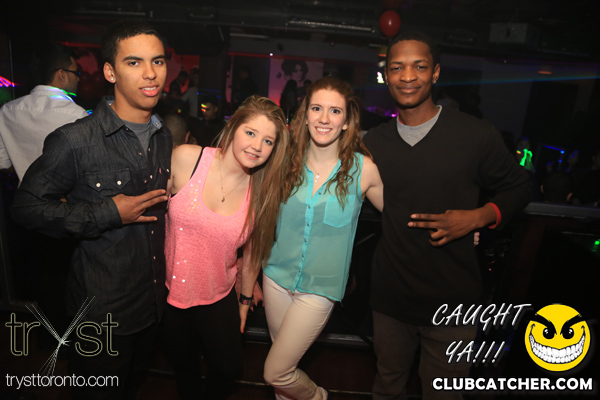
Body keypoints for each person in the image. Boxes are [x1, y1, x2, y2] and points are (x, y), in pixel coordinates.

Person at [362, 31, 531, 399]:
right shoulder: (372, 144)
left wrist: (477, 218)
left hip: (453, 304)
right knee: (387, 387)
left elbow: (520, 186)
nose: (408, 76)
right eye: (397, 68)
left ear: (435, 73)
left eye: (419, 66)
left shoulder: (474, 135)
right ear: (386, 76)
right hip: (391, 299)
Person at [11, 20, 171, 400]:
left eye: (158, 61)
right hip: (102, 313)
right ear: (110, 72)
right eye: (134, 62)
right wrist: (106, 213)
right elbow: (25, 208)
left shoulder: (164, 135)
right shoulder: (75, 140)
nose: (150, 73)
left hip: (152, 305)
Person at [262, 76, 384, 399]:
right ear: (305, 115)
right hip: (275, 278)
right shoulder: (285, 159)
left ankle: (318, 396)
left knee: (275, 371)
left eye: (335, 111)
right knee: (283, 373)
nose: (324, 118)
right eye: (317, 108)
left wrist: (455, 228)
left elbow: (400, 215)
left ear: (347, 121)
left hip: (320, 289)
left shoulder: (363, 170)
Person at [162, 95, 290, 399]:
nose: (257, 146)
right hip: (169, 293)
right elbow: (151, 212)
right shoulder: (187, 158)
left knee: (228, 368)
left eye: (268, 141)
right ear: (233, 129)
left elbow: (253, 254)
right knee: (184, 371)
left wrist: (244, 301)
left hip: (217, 295)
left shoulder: (262, 192)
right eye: (250, 133)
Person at [0, 43, 89, 182]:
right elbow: (87, 167)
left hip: (24, 194)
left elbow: (3, 163)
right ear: (62, 75)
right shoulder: (77, 115)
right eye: (76, 72)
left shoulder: (8, 111)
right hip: (66, 195)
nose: (78, 78)